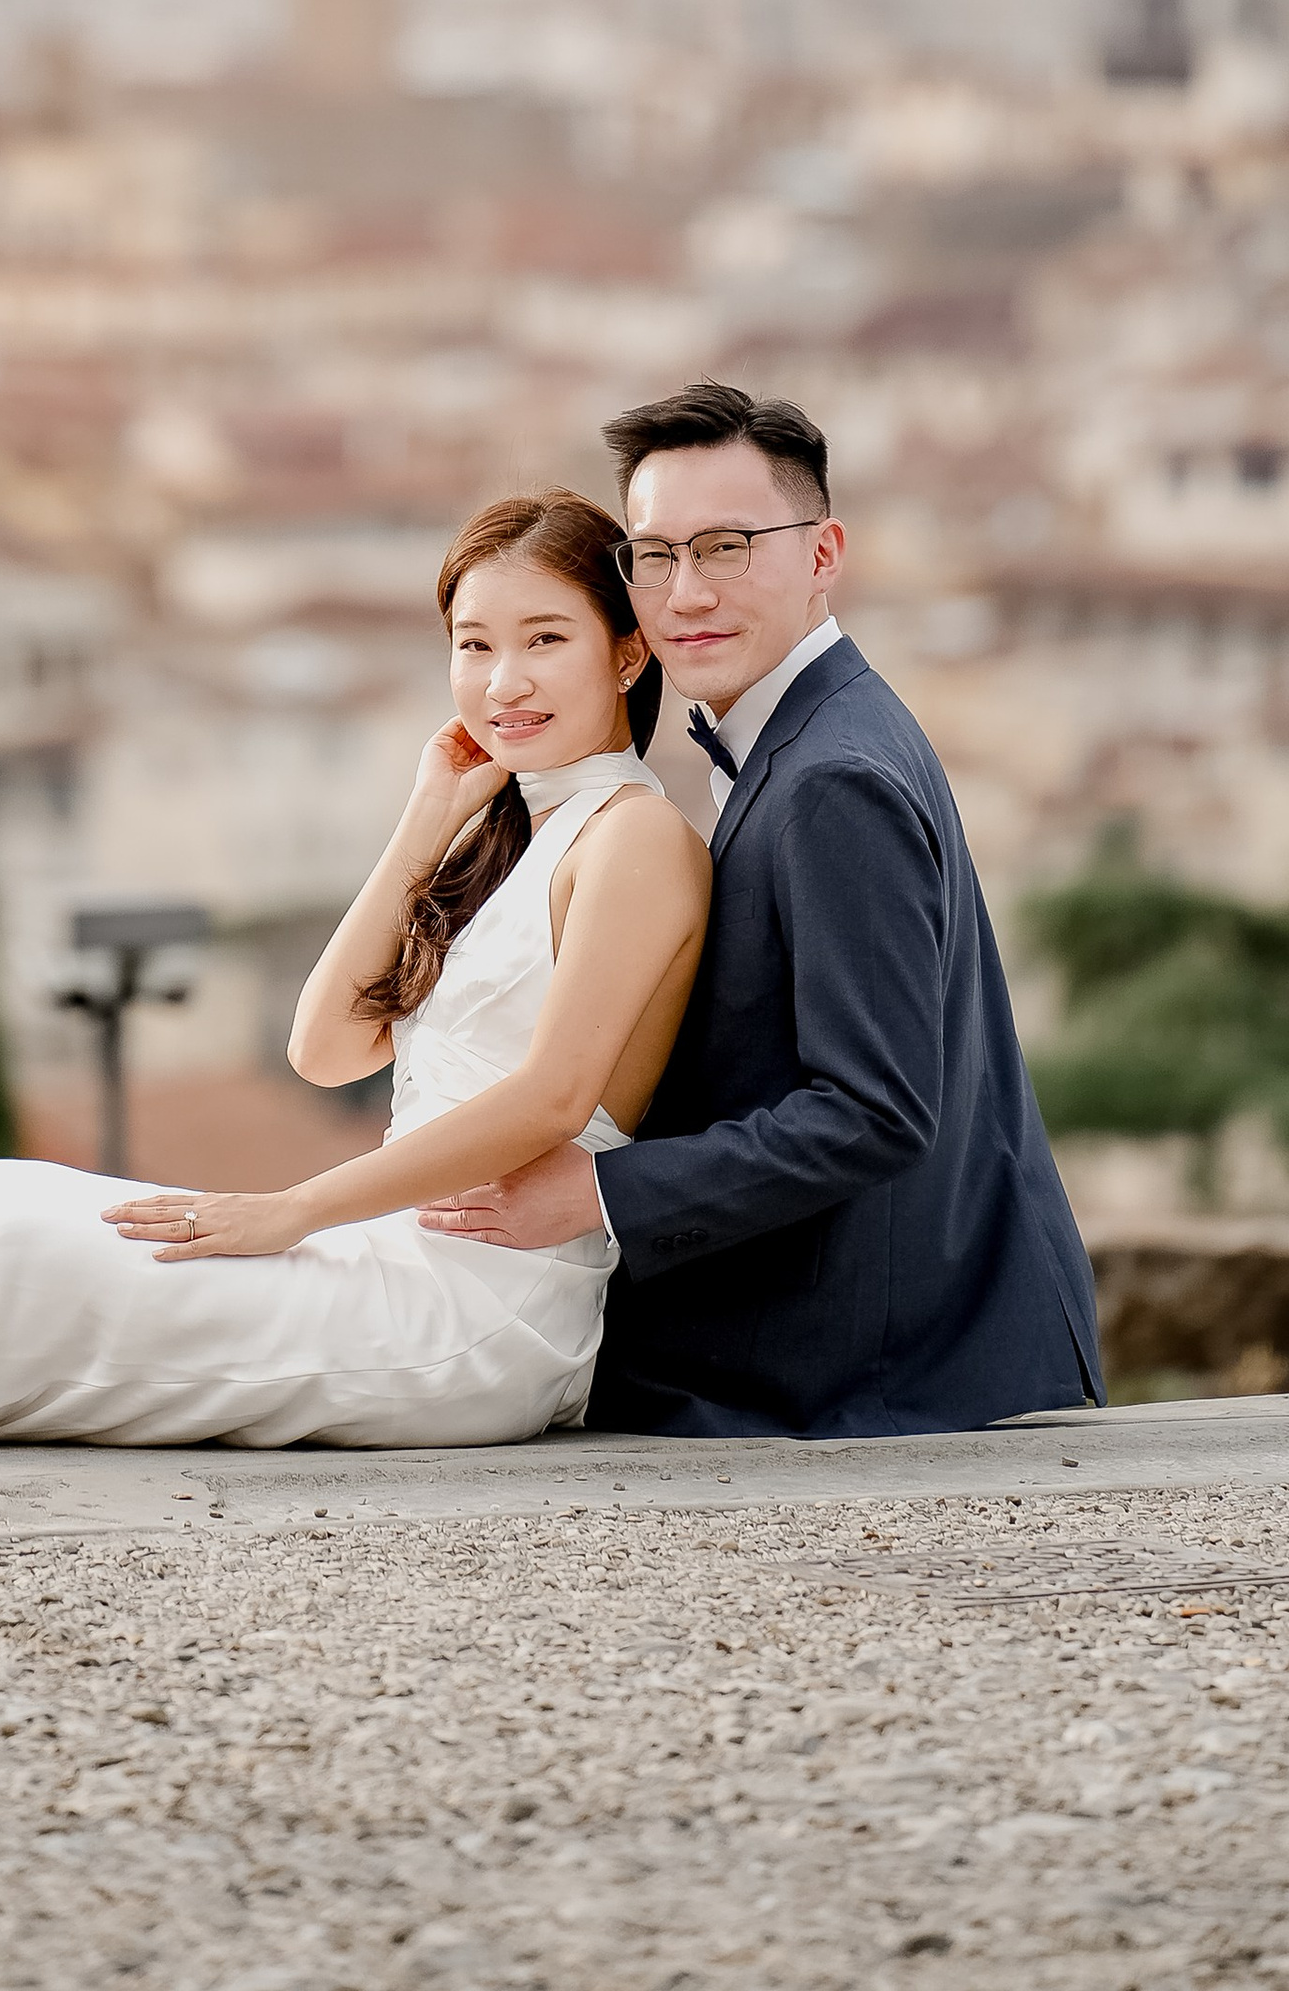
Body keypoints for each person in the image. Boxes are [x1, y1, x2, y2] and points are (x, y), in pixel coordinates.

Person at [0, 491, 710, 1453]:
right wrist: (424, 820)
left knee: (1, 1253)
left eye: (544, 639)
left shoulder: (634, 839)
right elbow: (325, 1047)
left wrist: (291, 1212)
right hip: (384, 1262)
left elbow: (552, 1100)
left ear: (626, 655)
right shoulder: (511, 835)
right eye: (472, 645)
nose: (501, 680)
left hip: (476, 1315)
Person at [417, 381, 1102, 1438]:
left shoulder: (833, 778)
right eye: (653, 555)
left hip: (884, 1367)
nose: (685, 592)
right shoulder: (814, 736)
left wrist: (599, 1197)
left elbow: (873, 1109)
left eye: (726, 547)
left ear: (824, 554)